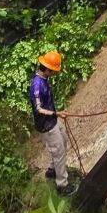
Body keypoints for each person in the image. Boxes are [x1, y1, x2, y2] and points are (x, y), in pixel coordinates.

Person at [30, 51, 74, 194]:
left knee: (63, 141)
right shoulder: (37, 85)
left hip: (53, 120)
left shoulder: (44, 79)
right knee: (59, 151)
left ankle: (52, 169)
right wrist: (57, 113)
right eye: (53, 70)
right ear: (47, 69)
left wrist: (57, 114)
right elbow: (38, 109)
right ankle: (62, 185)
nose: (54, 73)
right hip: (46, 124)